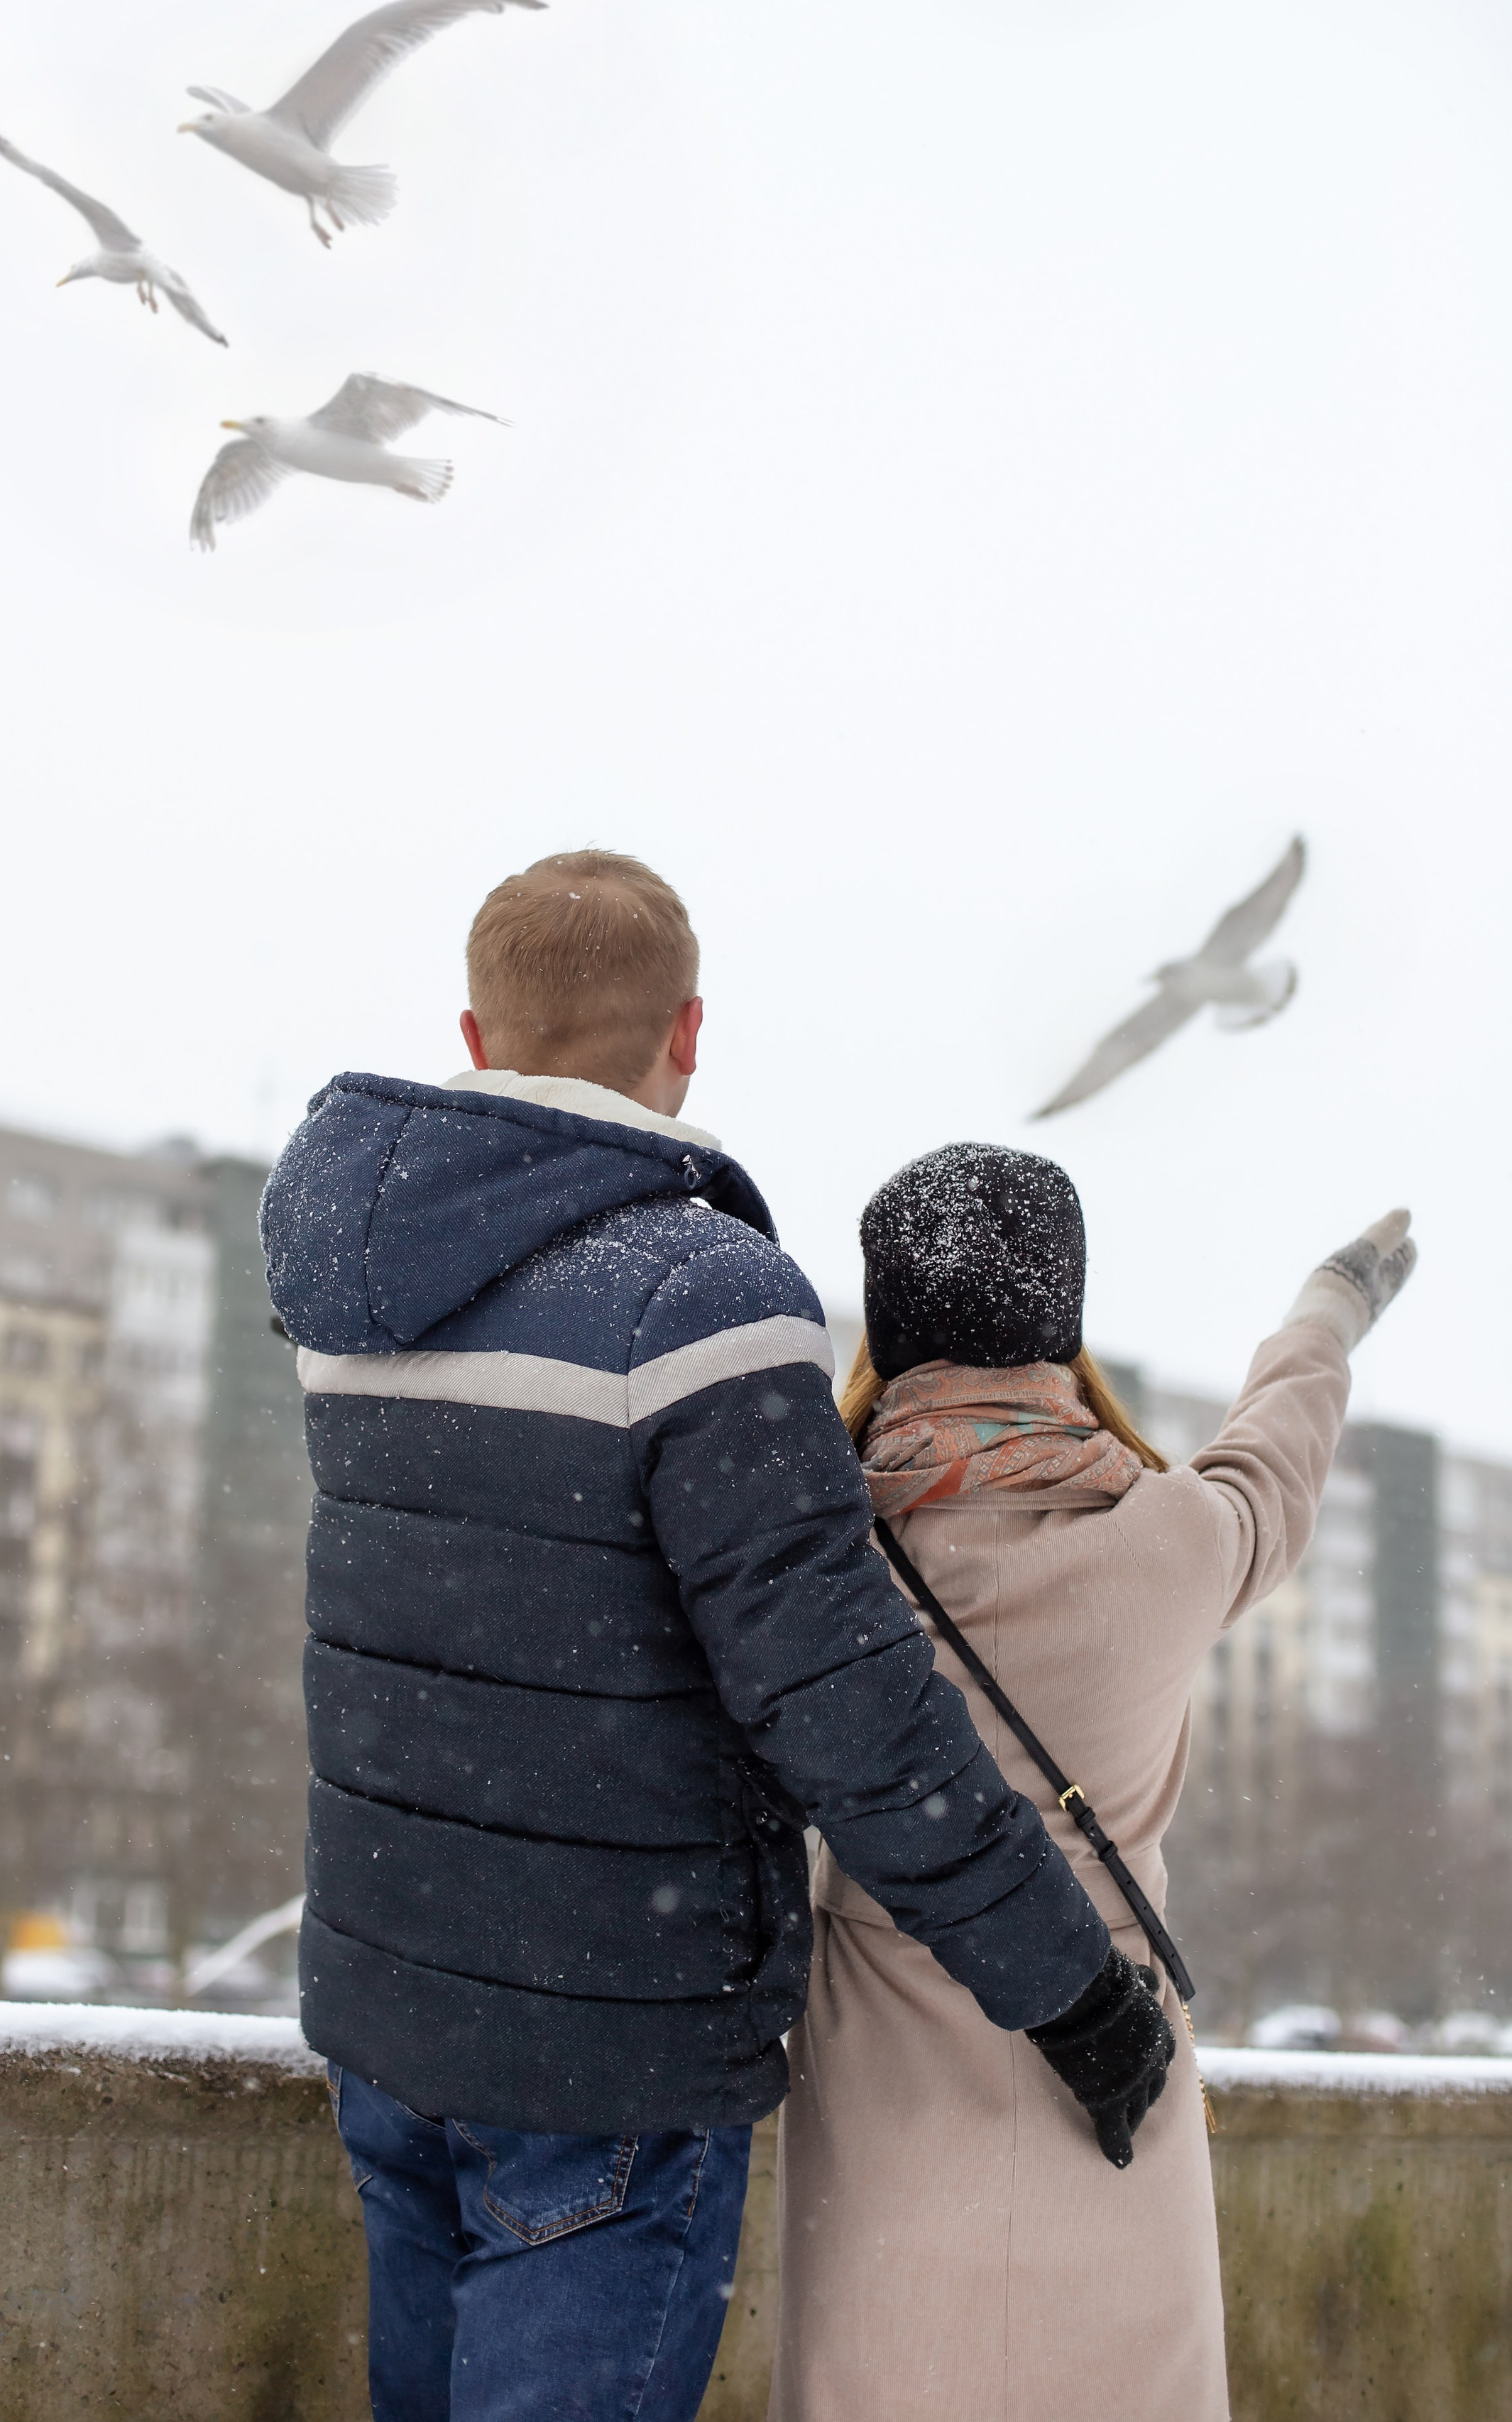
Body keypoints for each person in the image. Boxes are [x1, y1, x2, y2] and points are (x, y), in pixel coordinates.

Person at [259, 855, 1170, 2422]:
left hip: (388, 2013)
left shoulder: (355, 1299)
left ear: (473, 1037)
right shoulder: (702, 1302)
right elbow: (842, 1701)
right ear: (689, 1030)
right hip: (600, 2049)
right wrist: (1067, 1986)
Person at [769, 1142, 1418, 2422]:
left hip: (884, 2100)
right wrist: (1327, 1311)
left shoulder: (813, 1562)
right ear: (1064, 1323)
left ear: (885, 1327)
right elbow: (1272, 1458)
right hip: (1109, 2086)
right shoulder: (1172, 1543)